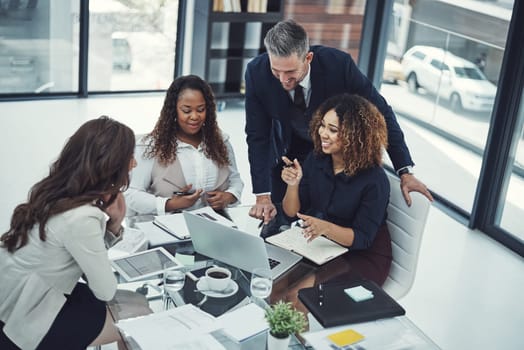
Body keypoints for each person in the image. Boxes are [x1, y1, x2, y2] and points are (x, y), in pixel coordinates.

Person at [244, 19, 433, 232]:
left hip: (330, 157)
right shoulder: (256, 73)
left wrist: (404, 170)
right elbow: (257, 136)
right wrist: (262, 195)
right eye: (276, 71)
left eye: (290, 73)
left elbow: (379, 113)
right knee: (275, 228)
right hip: (288, 159)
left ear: (308, 58)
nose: (283, 80)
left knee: (322, 226)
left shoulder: (338, 65)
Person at [0, 116, 137, 349]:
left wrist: (111, 227)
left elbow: (79, 256)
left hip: (17, 296)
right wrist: (116, 221)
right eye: (129, 157)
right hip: (25, 319)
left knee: (134, 301)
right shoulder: (82, 217)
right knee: (142, 313)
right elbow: (105, 290)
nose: (133, 163)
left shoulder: (54, 190)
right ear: (112, 166)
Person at [281, 94, 392, 285]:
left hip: (361, 256)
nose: (323, 133)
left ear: (356, 136)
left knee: (299, 292)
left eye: (332, 130)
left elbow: (362, 239)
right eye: (322, 125)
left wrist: (325, 227)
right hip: (325, 245)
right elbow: (292, 213)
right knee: (278, 281)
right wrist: (293, 185)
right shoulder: (317, 159)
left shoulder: (375, 180)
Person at [125, 75, 243, 219]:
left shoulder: (221, 142)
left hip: (213, 226)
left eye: (201, 110)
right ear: (173, 110)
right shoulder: (149, 146)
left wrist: (229, 196)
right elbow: (131, 194)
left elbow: (235, 180)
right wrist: (170, 204)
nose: (194, 116)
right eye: (186, 111)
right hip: (164, 228)